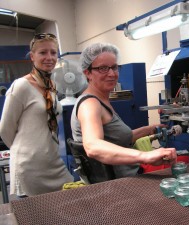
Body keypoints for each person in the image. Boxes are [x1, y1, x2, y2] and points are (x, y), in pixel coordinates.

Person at [70, 43, 177, 179]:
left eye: (114, 67)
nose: (112, 74)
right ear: (88, 73)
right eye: (103, 68)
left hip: (130, 174)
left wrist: (150, 129)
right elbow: (93, 146)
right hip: (121, 184)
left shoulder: (102, 100)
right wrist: (145, 156)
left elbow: (117, 139)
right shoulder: (89, 104)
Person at [0, 33, 73, 197]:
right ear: (32, 56)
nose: (49, 57)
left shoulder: (51, 85)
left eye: (53, 53)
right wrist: (28, 151)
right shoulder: (21, 86)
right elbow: (5, 130)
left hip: (53, 163)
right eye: (43, 52)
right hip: (30, 166)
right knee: (37, 216)